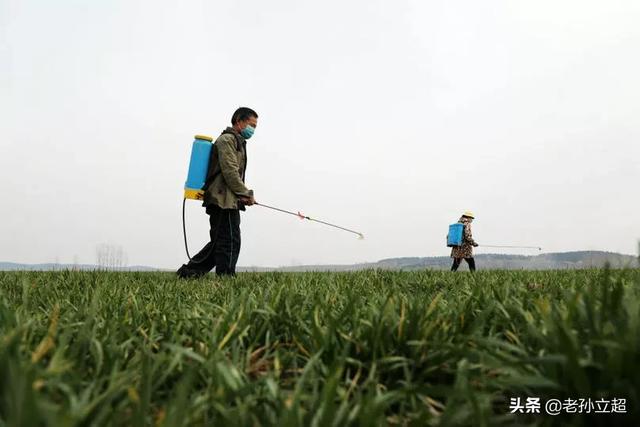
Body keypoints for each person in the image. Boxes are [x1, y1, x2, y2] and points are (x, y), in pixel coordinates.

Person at [177, 107, 258, 278]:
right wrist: (246, 193)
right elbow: (230, 171)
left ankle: (188, 273)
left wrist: (242, 195)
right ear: (238, 121)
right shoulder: (227, 140)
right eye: (251, 125)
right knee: (227, 241)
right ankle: (226, 276)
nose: (253, 130)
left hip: (230, 199)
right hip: (221, 199)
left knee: (223, 241)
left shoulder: (238, 142)